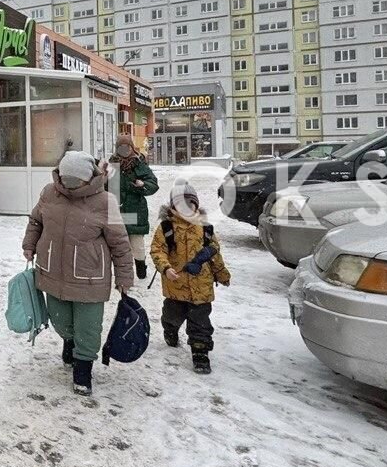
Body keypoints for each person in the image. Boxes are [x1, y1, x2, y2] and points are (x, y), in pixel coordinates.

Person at [23, 151, 135, 396]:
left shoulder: (105, 201)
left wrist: (125, 277)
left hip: (89, 276)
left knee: (88, 326)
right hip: (53, 270)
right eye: (65, 180)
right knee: (61, 320)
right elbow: (35, 222)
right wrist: (29, 246)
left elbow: (119, 242)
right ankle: (70, 341)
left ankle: (83, 367)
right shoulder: (49, 193)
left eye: (75, 181)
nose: (68, 186)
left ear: (88, 178)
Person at [149, 182, 232, 375]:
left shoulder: (205, 229)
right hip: (175, 285)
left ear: (196, 204)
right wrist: (165, 268)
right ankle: (170, 329)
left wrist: (222, 274)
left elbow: (214, 255)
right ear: (173, 207)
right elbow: (157, 251)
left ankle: (200, 353)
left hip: (201, 289)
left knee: (200, 323)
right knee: (172, 316)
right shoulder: (166, 228)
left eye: (190, 203)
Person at [109, 136, 159, 280]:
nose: (124, 150)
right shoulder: (112, 164)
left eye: (127, 147)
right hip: (116, 210)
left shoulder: (139, 164)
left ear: (132, 148)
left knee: (136, 244)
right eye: (121, 147)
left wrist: (143, 186)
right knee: (118, 245)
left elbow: (153, 184)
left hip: (135, 210)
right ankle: (123, 272)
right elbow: (105, 187)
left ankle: (141, 269)